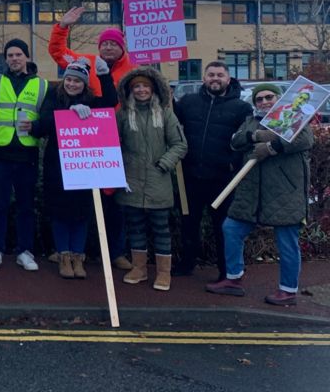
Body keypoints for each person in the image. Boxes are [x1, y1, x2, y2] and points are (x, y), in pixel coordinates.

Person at [206, 84, 314, 306]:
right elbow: (236, 142)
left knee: (287, 243)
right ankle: (233, 279)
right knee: (231, 228)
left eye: (269, 97)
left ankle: (288, 290)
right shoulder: (251, 120)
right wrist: (255, 135)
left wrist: (272, 147)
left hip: (285, 192)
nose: (264, 102)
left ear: (279, 98)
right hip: (252, 192)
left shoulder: (294, 117)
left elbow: (305, 140)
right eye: (259, 99)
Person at [48, 6, 135, 271]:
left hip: (118, 141)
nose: (108, 48)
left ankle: (116, 252)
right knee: (82, 200)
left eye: (113, 44)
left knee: (114, 201)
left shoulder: (134, 70)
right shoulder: (86, 61)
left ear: (122, 48)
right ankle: (74, 252)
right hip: (86, 144)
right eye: (104, 43)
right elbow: (58, 52)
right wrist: (62, 26)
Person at [33, 58, 117, 279]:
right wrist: (69, 113)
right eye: (69, 79)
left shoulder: (91, 99)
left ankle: (78, 257)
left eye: (77, 81)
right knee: (60, 212)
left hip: (84, 166)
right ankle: (64, 256)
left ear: (84, 83)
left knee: (81, 213)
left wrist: (105, 75)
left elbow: (110, 102)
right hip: (57, 165)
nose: (72, 84)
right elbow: (42, 124)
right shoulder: (54, 96)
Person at [172, 61, 253, 279]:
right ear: (204, 78)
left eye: (219, 75)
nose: (214, 78)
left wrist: (231, 164)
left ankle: (225, 271)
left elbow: (245, 140)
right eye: (210, 75)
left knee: (222, 227)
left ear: (228, 78)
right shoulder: (188, 102)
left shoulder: (241, 107)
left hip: (222, 179)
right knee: (189, 223)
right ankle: (187, 263)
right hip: (190, 177)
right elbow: (171, 121)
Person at [115, 67, 187, 291]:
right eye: (137, 86)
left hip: (158, 179)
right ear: (130, 90)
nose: (141, 90)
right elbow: (112, 142)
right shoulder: (124, 114)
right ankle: (139, 267)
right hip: (131, 180)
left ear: (152, 88)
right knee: (135, 227)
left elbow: (179, 144)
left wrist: (165, 163)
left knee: (160, 228)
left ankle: (163, 271)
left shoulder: (166, 113)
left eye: (145, 85)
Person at [0, 39, 47, 271]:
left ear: (27, 57)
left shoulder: (42, 85)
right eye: (10, 55)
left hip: (27, 155)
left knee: (26, 206)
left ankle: (25, 251)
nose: (14, 59)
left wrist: (36, 128)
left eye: (18, 54)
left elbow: (47, 118)